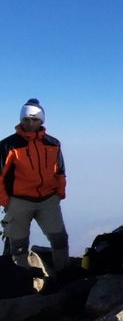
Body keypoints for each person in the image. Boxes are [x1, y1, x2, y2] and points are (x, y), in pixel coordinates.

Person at [0, 99, 69, 272]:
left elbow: (59, 170)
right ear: (21, 120)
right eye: (26, 119)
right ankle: (22, 279)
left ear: (41, 120)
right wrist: (6, 202)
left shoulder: (53, 143)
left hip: (48, 200)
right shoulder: (9, 145)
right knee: (19, 245)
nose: (30, 123)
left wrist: (59, 193)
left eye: (34, 119)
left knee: (60, 239)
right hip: (19, 202)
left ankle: (63, 274)